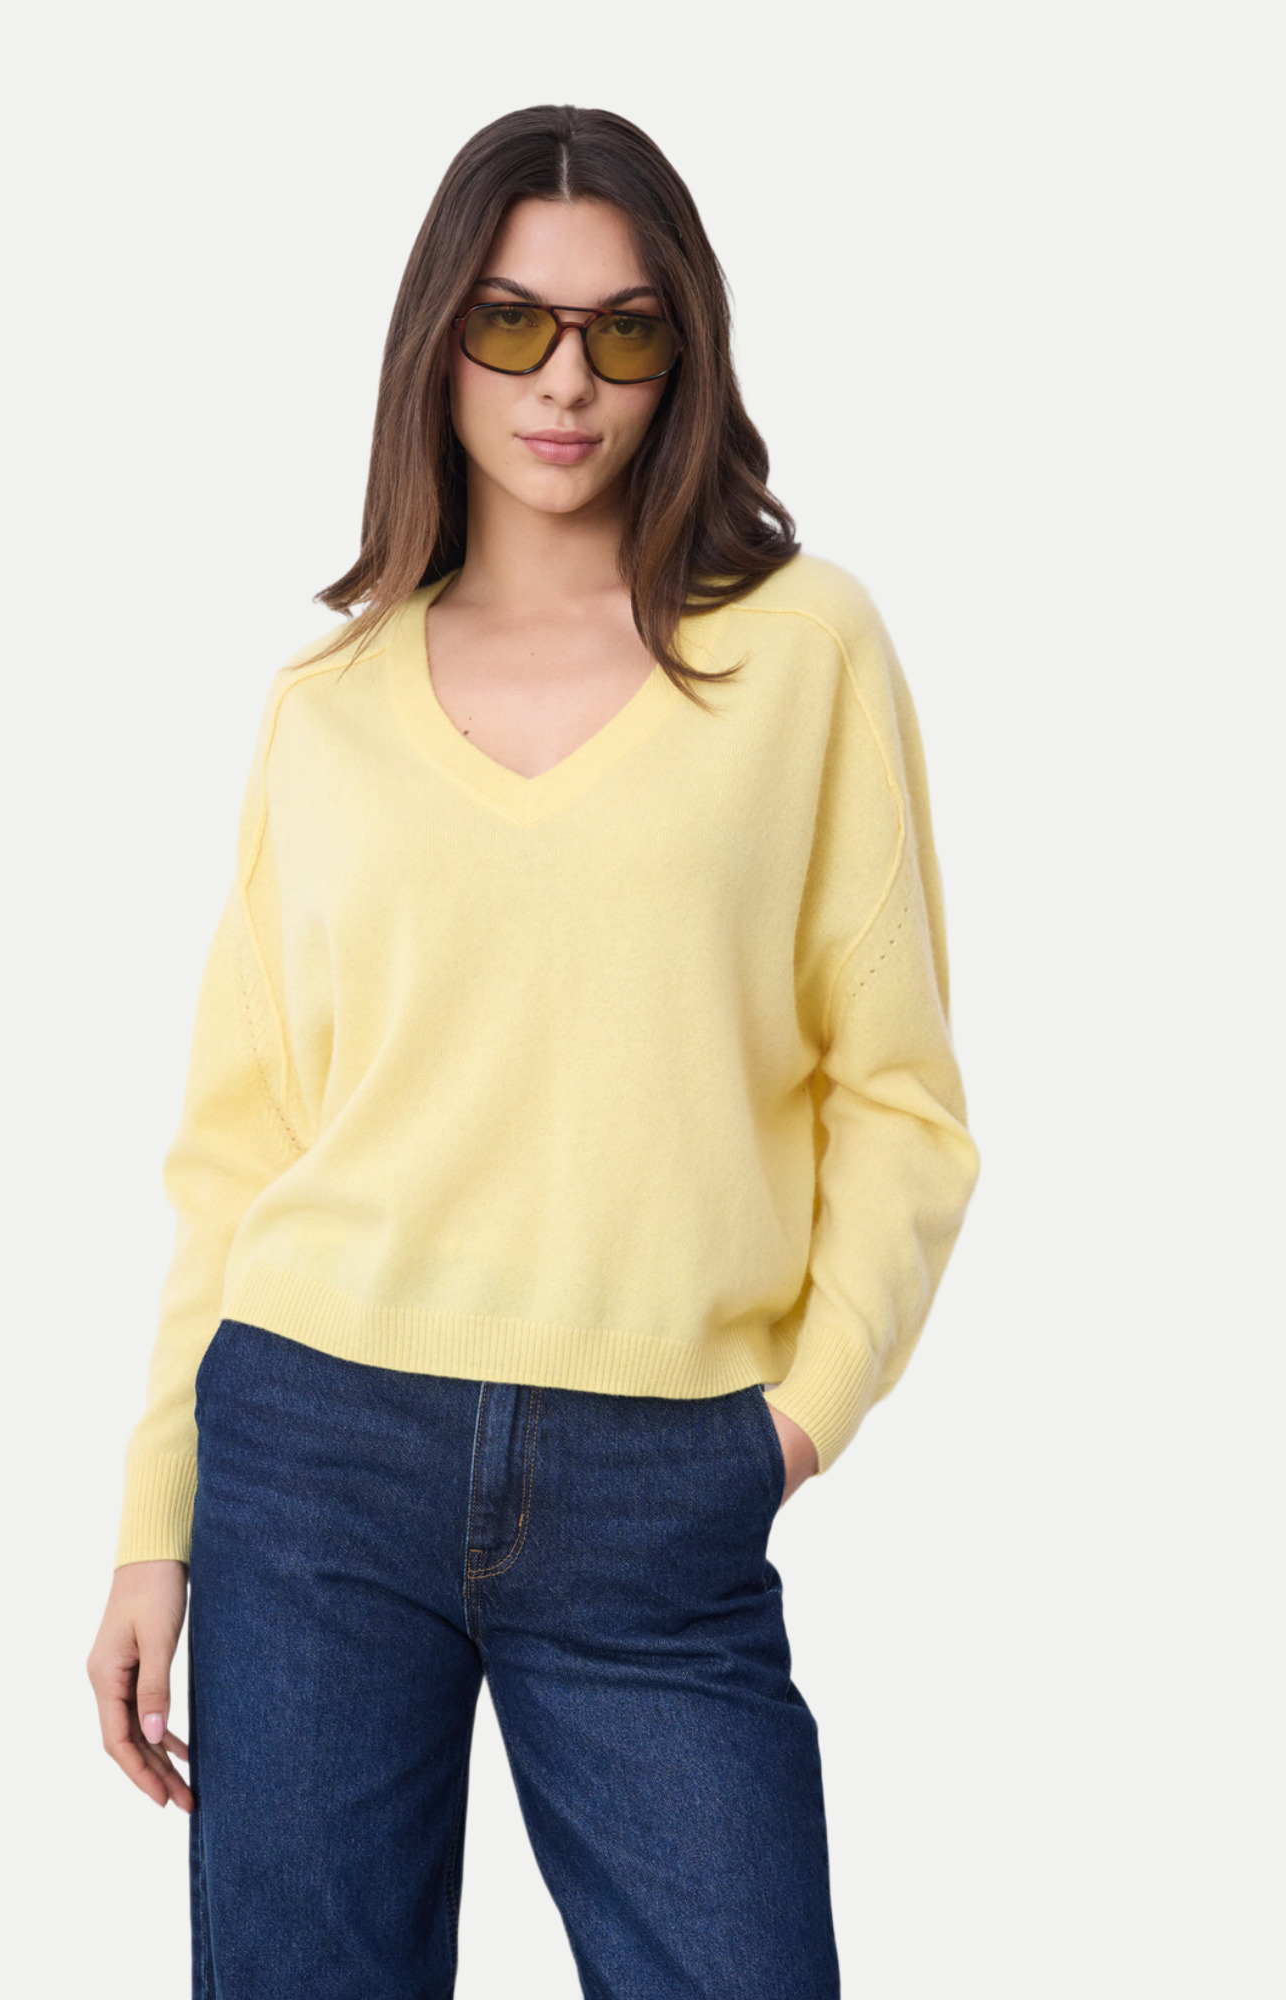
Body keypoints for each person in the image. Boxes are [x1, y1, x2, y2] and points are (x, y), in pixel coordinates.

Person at [87, 101, 981, 2000]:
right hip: (313, 1455)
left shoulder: (803, 652)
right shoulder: (325, 706)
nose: (565, 382)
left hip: (662, 1477)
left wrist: (796, 1420)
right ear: (439, 340)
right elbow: (238, 1152)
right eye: (512, 324)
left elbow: (900, 1101)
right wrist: (154, 1520)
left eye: (621, 332)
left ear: (681, 356)